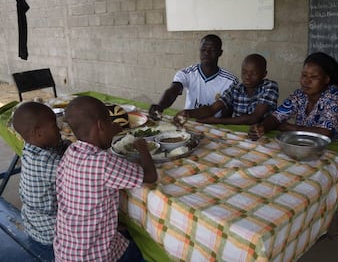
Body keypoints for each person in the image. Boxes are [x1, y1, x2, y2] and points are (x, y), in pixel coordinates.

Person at [53, 96, 157, 262]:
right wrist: (142, 147)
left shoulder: (71, 151)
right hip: (97, 255)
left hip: (67, 250)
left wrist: (109, 132)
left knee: (122, 232)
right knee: (139, 250)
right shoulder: (104, 163)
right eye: (110, 124)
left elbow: (97, 159)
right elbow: (151, 177)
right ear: (101, 126)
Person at [12, 102, 71, 261]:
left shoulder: (32, 146)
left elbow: (61, 146)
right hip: (50, 236)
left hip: (34, 224)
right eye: (54, 126)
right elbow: (84, 176)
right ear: (37, 133)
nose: (59, 130)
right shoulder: (45, 164)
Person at [248, 52, 338, 142]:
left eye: (313, 77)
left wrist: (291, 128)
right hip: (304, 144)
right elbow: (276, 117)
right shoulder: (300, 94)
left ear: (326, 79)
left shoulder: (335, 96)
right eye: (304, 75)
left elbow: (325, 133)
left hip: (334, 148)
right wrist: (262, 127)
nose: (306, 81)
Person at [148, 34, 238, 120]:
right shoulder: (187, 73)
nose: (206, 53)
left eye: (212, 50)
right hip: (188, 121)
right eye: (203, 50)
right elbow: (173, 91)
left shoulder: (230, 81)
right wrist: (160, 106)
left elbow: (227, 114)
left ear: (220, 53)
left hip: (214, 124)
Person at [172, 53, 279, 126]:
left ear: (264, 74)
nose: (247, 77)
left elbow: (254, 118)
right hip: (237, 133)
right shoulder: (236, 88)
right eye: (244, 72)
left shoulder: (270, 86)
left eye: (254, 73)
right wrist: (188, 113)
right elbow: (212, 109)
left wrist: (217, 121)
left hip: (262, 134)